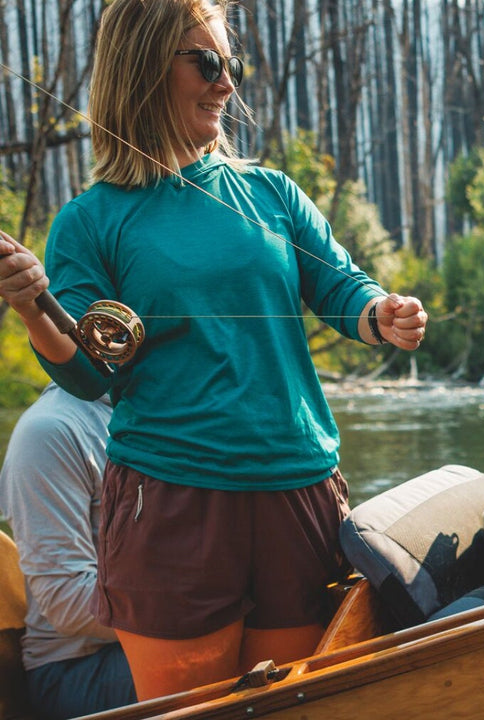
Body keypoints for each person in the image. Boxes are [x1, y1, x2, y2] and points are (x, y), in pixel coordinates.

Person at [0, 0, 427, 701]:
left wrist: (381, 313)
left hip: (299, 496)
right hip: (172, 509)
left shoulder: (273, 195)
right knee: (194, 713)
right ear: (143, 70)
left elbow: (341, 286)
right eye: (206, 63)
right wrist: (30, 306)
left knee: (288, 705)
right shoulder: (90, 221)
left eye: (230, 64)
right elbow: (81, 372)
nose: (226, 83)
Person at [0, 384, 138, 718]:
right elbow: (67, 602)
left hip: (166, 635)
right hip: (77, 667)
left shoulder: (169, 415)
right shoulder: (52, 430)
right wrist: (203, 615)